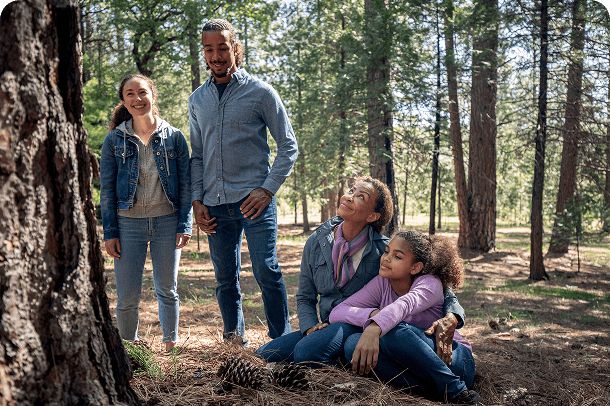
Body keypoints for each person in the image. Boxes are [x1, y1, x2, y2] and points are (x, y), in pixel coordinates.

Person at [256, 177, 466, 367]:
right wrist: (309, 327)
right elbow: (304, 296)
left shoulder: (383, 251)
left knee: (306, 354)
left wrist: (453, 315)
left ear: (373, 215)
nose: (348, 197)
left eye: (360, 197)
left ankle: (348, 361)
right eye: (351, 191)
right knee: (264, 354)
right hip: (327, 323)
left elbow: (433, 286)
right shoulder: (316, 242)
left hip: (362, 325)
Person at [189, 19, 298, 343]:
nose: (216, 55)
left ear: (235, 48)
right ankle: (233, 343)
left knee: (267, 271)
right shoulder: (197, 99)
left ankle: (282, 344)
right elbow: (198, 155)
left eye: (222, 47)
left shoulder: (261, 93)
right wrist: (196, 201)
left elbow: (288, 146)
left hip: (255, 202)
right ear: (204, 54)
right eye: (209, 49)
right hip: (214, 205)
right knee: (225, 278)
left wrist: (267, 189)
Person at [329, 229, 486, 405]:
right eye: (387, 251)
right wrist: (373, 315)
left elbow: (403, 306)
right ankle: (433, 391)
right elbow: (337, 312)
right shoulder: (383, 283)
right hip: (419, 368)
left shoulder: (429, 283)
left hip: (454, 361)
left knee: (391, 329)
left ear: (415, 267)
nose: (386, 258)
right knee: (353, 345)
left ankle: (458, 392)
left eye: (398, 256)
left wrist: (374, 326)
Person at [100, 74, 192, 352]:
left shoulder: (174, 137)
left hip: (167, 222)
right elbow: (106, 191)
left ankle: (170, 346)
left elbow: (186, 184)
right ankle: (130, 348)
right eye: (130, 94)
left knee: (168, 289)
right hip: (127, 225)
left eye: (142, 92)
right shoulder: (114, 140)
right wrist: (110, 232)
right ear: (124, 101)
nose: (137, 99)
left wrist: (184, 224)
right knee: (127, 294)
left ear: (153, 95)